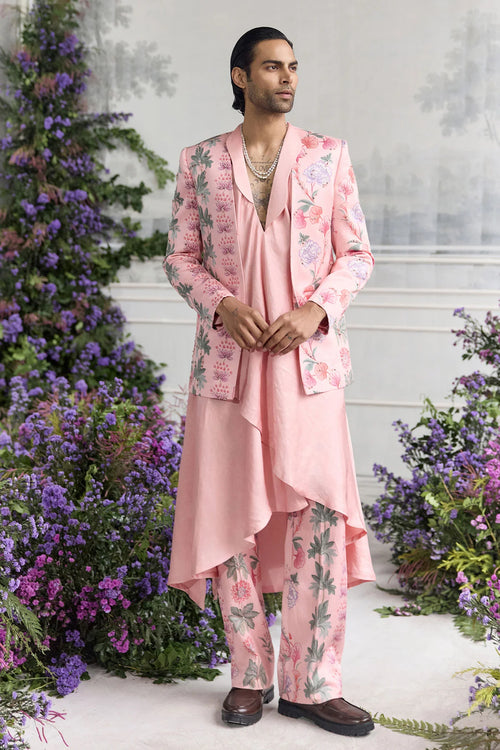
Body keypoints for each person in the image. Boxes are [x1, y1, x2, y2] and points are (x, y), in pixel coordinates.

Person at [163, 26, 376, 737]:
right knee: (231, 516)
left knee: (319, 515)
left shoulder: (328, 155)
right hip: (228, 367)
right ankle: (248, 675)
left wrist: (317, 309)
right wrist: (222, 304)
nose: (287, 78)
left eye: (293, 67)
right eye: (272, 67)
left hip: (306, 367)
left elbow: (357, 254)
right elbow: (180, 257)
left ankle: (313, 684)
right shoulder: (199, 161)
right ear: (240, 76)